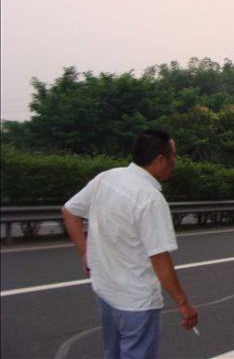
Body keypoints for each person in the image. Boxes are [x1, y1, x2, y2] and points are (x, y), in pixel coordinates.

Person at [62, 129, 198, 359]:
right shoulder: (150, 199)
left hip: (105, 292)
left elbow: (69, 211)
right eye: (173, 155)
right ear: (160, 160)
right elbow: (159, 258)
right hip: (137, 302)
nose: (175, 161)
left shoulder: (107, 177)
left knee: (112, 354)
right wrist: (183, 303)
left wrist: (85, 253)